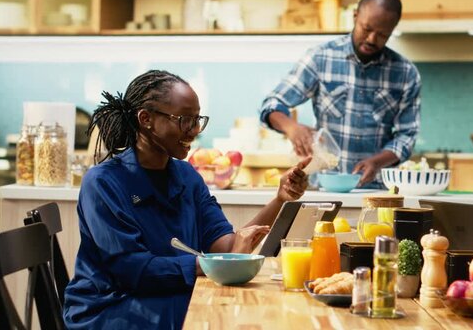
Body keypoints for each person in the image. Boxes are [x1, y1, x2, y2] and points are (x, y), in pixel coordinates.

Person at [63, 70, 310, 329]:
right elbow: (132, 270)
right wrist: (213, 265)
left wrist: (280, 199)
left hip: (164, 297)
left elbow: (225, 248)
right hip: (111, 308)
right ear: (146, 119)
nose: (193, 131)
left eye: (197, 120)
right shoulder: (103, 183)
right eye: (184, 120)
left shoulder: (186, 175)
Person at [260, 0, 421, 188]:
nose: (372, 39)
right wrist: (291, 128)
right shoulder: (321, 58)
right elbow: (272, 104)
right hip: (323, 187)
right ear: (355, 16)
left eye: (382, 35)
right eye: (367, 28)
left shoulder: (406, 73)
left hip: (377, 190)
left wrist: (377, 163)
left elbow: (407, 136)